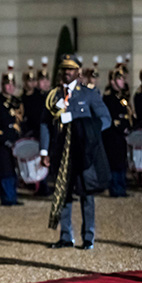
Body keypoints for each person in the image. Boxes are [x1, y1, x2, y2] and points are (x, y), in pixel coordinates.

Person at [40, 54, 111, 250]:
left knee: (87, 194)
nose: (67, 72)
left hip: (83, 151)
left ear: (78, 71)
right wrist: (44, 151)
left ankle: (88, 236)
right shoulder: (54, 95)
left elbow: (105, 119)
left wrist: (85, 128)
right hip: (61, 151)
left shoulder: (88, 94)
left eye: (71, 69)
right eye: (64, 69)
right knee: (63, 193)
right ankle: (66, 236)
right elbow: (45, 124)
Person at [0, 60, 23, 206]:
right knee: (5, 171)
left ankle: (13, 195)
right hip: (3, 143)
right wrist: (6, 140)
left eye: (11, 84)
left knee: (14, 170)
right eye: (7, 84)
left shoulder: (16, 102)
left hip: (15, 139)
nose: (10, 87)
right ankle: (8, 197)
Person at [101, 61, 132, 197]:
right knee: (114, 162)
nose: (122, 82)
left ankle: (122, 186)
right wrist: (121, 127)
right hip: (113, 135)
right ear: (113, 82)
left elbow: (127, 114)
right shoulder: (109, 98)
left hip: (121, 135)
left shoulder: (122, 98)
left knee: (121, 161)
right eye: (119, 79)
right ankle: (115, 188)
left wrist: (127, 126)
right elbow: (113, 118)